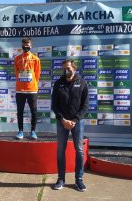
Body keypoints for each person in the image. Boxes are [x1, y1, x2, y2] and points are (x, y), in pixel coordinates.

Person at [51, 59, 89, 191]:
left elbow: (85, 106)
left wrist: (75, 120)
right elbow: (54, 105)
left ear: (74, 68)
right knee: (60, 150)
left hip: (77, 122)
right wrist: (62, 120)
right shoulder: (58, 83)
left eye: (68, 68)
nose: (66, 71)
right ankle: (61, 179)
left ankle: (79, 180)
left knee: (79, 150)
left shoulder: (82, 83)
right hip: (62, 122)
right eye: (64, 69)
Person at [14, 37, 41, 140]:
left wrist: (32, 83)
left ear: (31, 45)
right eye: (24, 44)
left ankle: (33, 131)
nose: (26, 46)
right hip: (20, 89)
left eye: (28, 44)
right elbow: (17, 73)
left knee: (34, 111)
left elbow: (37, 74)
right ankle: (20, 131)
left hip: (32, 89)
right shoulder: (17, 59)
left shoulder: (36, 59)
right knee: (19, 111)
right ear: (21, 45)